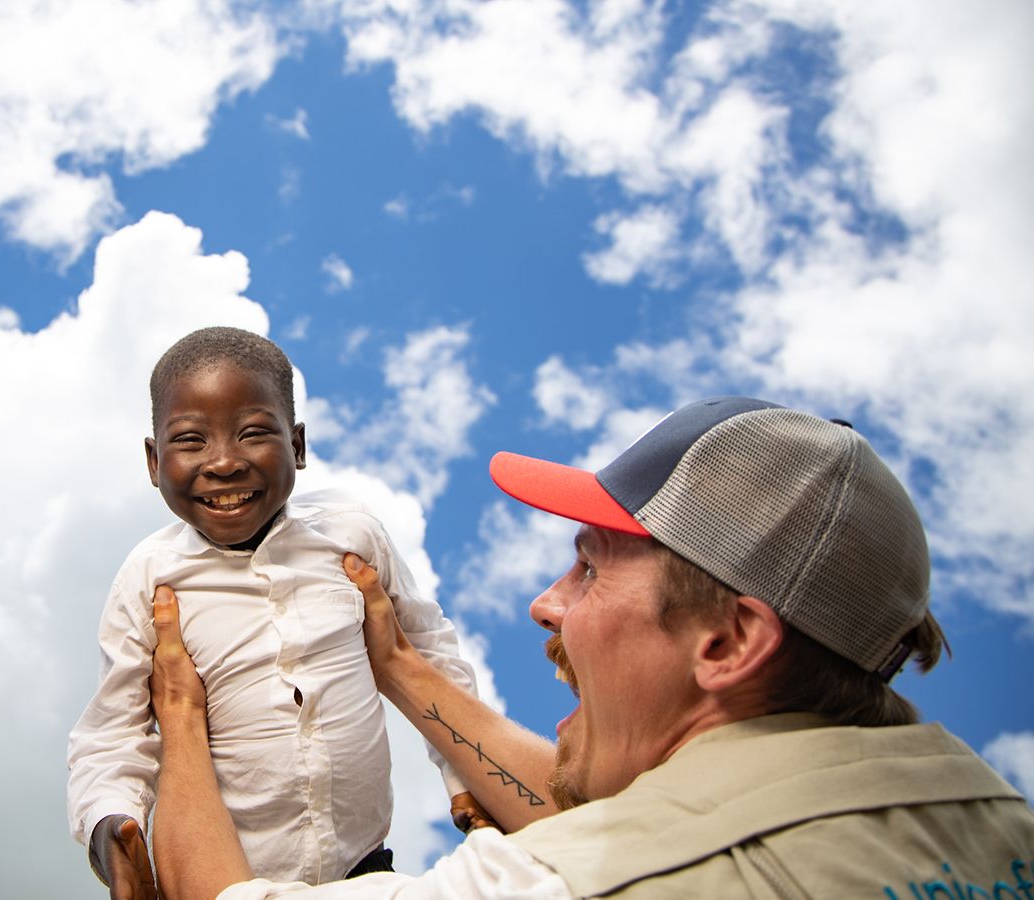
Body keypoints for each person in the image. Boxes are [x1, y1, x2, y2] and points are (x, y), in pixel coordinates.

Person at [149, 395, 1034, 899]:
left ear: (729, 641)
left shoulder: (564, 886)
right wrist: (403, 672)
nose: (546, 605)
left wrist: (182, 723)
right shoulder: (998, 827)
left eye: (588, 568)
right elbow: (648, 824)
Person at [67, 327, 486, 898]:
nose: (224, 462)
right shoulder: (150, 578)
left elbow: (427, 651)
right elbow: (113, 733)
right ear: (153, 459)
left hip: (363, 868)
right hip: (221, 876)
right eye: (191, 440)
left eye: (254, 433)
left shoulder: (351, 537)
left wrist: (469, 772)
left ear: (298, 445)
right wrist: (111, 827)